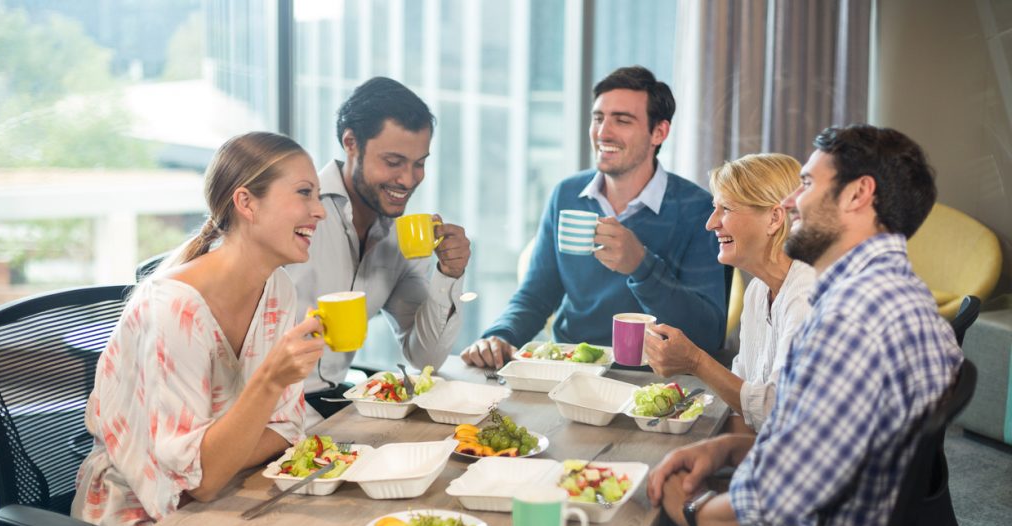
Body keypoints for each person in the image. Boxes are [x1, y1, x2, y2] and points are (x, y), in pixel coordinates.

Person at [646, 124, 963, 526]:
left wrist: (690, 511)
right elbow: (816, 443)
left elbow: (775, 503)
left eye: (809, 184)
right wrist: (725, 451)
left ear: (858, 194)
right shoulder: (896, 297)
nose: (792, 201)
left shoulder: (845, 320)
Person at [73, 132, 327, 526]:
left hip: (234, 493)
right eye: (304, 193)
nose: (320, 212)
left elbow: (287, 428)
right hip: (140, 524)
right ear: (246, 203)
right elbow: (200, 482)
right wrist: (270, 382)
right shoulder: (175, 307)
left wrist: (223, 454)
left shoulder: (279, 290)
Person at [462, 66, 725, 369]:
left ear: (659, 132)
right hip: (570, 367)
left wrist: (641, 266)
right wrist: (500, 336)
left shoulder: (698, 209)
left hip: (652, 378)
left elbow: (708, 334)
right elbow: (535, 296)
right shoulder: (567, 195)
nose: (603, 132)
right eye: (598, 118)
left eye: (622, 120)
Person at [285, 77, 470, 418]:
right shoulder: (293, 208)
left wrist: (449, 275)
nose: (409, 179)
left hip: (333, 405)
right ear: (351, 143)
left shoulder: (402, 240)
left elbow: (424, 357)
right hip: (267, 409)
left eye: (419, 163)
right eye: (394, 161)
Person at [644, 153, 815, 433]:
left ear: (774, 218)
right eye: (715, 208)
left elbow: (775, 410)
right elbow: (744, 400)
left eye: (726, 209)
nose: (711, 223)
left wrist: (695, 361)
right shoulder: (758, 291)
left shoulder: (807, 293)